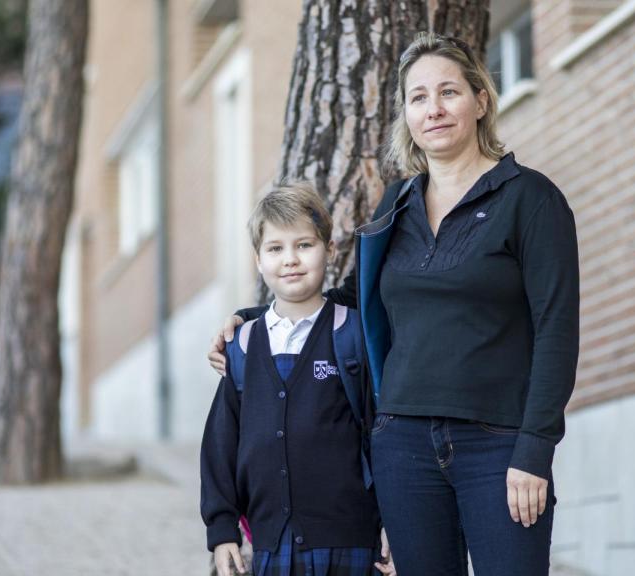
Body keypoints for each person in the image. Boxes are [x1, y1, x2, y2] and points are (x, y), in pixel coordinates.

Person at [209, 32, 579, 576]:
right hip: (402, 447)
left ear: (480, 101)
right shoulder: (396, 206)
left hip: (496, 446)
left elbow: (557, 332)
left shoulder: (531, 199)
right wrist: (254, 319)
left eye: (449, 92)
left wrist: (534, 450)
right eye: (418, 97)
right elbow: (353, 300)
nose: (434, 109)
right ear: (406, 114)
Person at [200, 182, 395, 576]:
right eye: (275, 249)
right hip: (271, 545)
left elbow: (383, 433)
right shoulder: (243, 344)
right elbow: (221, 444)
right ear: (258, 260)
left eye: (304, 245)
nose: (290, 259)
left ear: (330, 250)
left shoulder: (353, 333)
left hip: (350, 541)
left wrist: (395, 520)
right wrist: (222, 532)